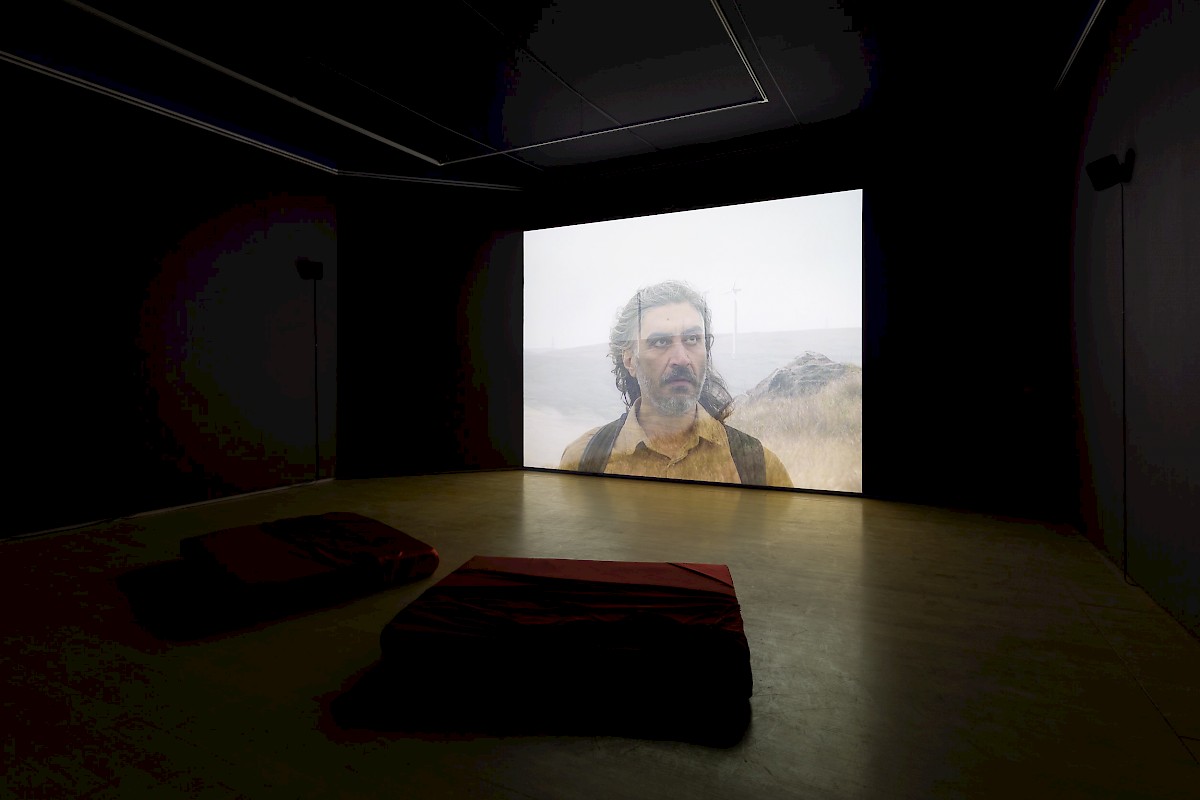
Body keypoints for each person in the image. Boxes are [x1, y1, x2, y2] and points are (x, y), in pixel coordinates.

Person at [559, 280, 792, 487]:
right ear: (629, 359)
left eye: (692, 339)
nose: (681, 359)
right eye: (660, 342)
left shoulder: (758, 467)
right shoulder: (585, 460)